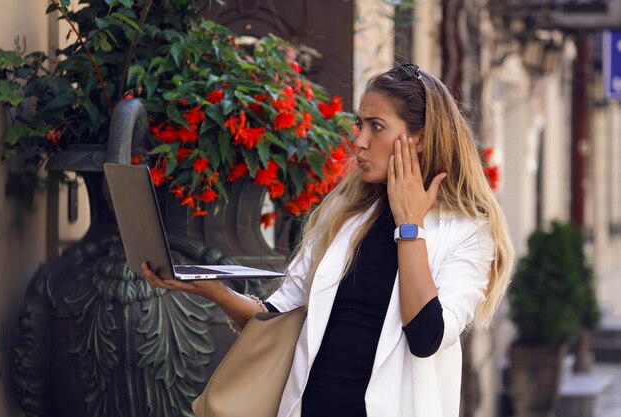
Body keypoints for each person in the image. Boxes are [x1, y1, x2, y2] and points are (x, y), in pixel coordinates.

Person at [141, 64, 514, 417]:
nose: (360, 141)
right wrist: (216, 292)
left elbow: (426, 336)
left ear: (417, 139)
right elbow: (278, 319)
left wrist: (409, 226)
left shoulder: (467, 232)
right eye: (360, 124)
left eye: (376, 127)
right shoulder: (345, 214)